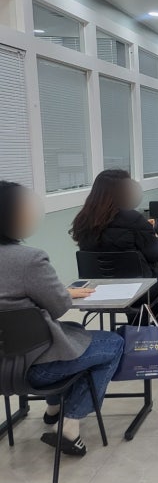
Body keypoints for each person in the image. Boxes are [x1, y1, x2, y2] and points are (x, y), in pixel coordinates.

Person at [0, 181, 124, 456]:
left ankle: (54, 407)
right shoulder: (29, 259)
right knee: (112, 343)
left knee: (74, 334)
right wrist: (63, 294)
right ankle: (69, 425)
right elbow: (58, 307)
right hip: (36, 370)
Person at [70, 170, 158, 324]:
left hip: (96, 287)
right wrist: (152, 234)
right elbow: (156, 253)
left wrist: (143, 230)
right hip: (137, 287)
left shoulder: (83, 219)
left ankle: (136, 324)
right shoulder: (132, 218)